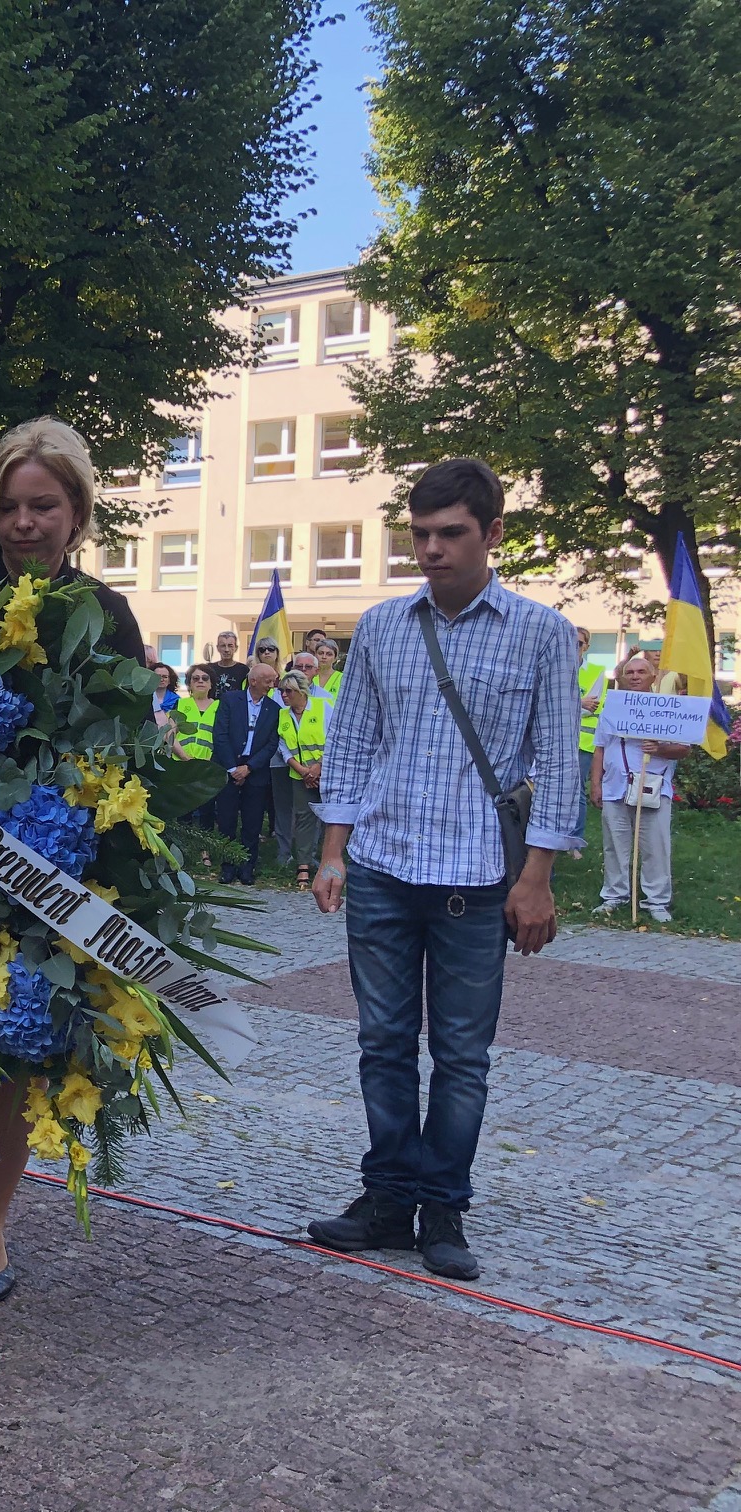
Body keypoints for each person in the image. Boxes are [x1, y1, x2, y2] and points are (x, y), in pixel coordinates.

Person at [308, 457, 582, 1283]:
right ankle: (388, 1197)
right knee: (383, 1042)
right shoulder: (385, 625)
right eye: (419, 534)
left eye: (450, 534)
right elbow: (351, 742)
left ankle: (443, 1206)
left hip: (477, 874)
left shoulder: (540, 631)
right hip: (384, 865)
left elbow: (558, 763)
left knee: (462, 1053)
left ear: (492, 534)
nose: (431, 549)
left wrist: (536, 877)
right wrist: (331, 852)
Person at [0, 414, 147, 1309]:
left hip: (53, 869)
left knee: (27, 1052)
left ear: (78, 511)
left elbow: (127, 750)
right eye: (7, 506)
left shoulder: (108, 615)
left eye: (42, 505)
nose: (23, 523)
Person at [589, 654, 689, 922]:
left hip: (652, 785)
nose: (634, 676)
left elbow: (683, 749)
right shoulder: (612, 707)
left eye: (641, 672)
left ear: (653, 676)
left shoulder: (668, 709)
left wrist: (660, 748)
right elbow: (600, 748)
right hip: (615, 787)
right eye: (629, 672)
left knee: (655, 846)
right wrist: (595, 783)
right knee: (615, 845)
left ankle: (656, 900)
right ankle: (614, 895)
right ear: (622, 677)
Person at [210, 661, 280, 884]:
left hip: (255, 771)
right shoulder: (230, 700)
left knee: (252, 822)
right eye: (268, 681)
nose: (272, 685)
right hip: (229, 767)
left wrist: (249, 768)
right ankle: (227, 866)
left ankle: (248, 866)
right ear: (253, 681)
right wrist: (233, 768)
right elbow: (219, 734)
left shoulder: (274, 708)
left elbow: (271, 744)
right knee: (227, 820)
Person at [275, 669, 325, 888]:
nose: (284, 695)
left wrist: (318, 768)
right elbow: (283, 747)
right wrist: (303, 770)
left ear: (302, 691)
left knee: (330, 818)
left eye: (289, 691)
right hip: (300, 774)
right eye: (281, 691)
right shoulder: (283, 715)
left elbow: (335, 738)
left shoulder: (323, 708)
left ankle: (327, 864)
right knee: (303, 819)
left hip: (326, 772)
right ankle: (303, 864)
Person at [576, 627, 607, 768]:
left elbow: (590, 708)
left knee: (578, 788)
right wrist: (580, 702)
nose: (573, 646)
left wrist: (565, 706)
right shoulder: (552, 669)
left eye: (578, 643)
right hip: (553, 739)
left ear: (586, 647)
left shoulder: (596, 671)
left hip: (583, 743)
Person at [208, 630, 248, 698]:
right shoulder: (209, 669)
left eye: (230, 646)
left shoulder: (243, 670)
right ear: (218, 648)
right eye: (223, 646)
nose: (226, 650)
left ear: (236, 648)